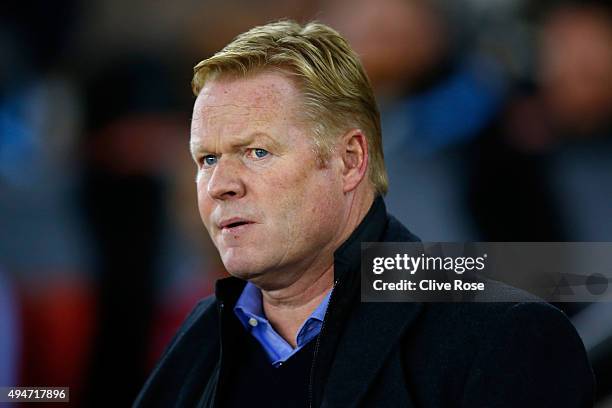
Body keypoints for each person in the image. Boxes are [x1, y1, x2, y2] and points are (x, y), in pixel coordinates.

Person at [134, 20, 594, 407]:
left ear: (350, 160)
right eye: (207, 160)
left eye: (256, 151)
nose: (220, 186)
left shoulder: (504, 337)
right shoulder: (196, 342)